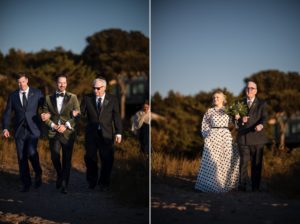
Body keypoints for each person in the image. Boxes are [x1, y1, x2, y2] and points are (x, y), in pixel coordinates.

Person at [2, 72, 43, 192]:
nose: (21, 84)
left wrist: (46, 115)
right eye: (19, 82)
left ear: (27, 81)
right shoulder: (13, 95)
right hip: (19, 130)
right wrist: (5, 128)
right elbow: (7, 113)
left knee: (31, 151)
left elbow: (44, 107)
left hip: (33, 129)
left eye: (23, 81)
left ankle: (38, 172)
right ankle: (26, 183)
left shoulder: (37, 93)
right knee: (21, 157)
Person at [80, 77, 122, 191]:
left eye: (98, 88)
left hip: (106, 134)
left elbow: (116, 116)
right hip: (91, 133)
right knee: (90, 158)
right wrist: (76, 113)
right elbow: (81, 112)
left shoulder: (112, 99)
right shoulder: (87, 98)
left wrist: (118, 132)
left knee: (107, 159)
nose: (95, 91)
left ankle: (104, 182)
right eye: (94, 88)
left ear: (104, 87)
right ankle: (92, 180)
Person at [41, 73, 80, 194]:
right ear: (56, 84)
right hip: (54, 132)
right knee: (54, 156)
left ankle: (64, 185)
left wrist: (66, 125)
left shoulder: (73, 97)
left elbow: (77, 114)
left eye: (64, 82)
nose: (62, 84)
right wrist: (53, 125)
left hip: (68, 133)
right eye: (59, 82)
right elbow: (44, 116)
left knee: (67, 160)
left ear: (66, 84)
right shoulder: (48, 98)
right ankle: (59, 175)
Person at [195, 90, 239, 192]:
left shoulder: (228, 110)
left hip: (225, 136)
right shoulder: (209, 111)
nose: (215, 99)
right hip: (213, 137)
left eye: (217, 97)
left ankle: (223, 185)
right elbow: (204, 126)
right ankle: (210, 185)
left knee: (224, 161)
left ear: (223, 99)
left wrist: (236, 117)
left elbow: (236, 125)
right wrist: (207, 136)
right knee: (212, 161)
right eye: (214, 97)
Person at [236, 81, 268, 192]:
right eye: (247, 88)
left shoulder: (262, 104)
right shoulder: (239, 103)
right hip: (243, 138)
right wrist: (240, 120)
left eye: (252, 88)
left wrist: (261, 125)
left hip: (257, 138)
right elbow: (235, 122)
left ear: (256, 90)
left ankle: (255, 188)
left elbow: (264, 118)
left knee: (256, 164)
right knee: (243, 163)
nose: (249, 90)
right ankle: (242, 186)